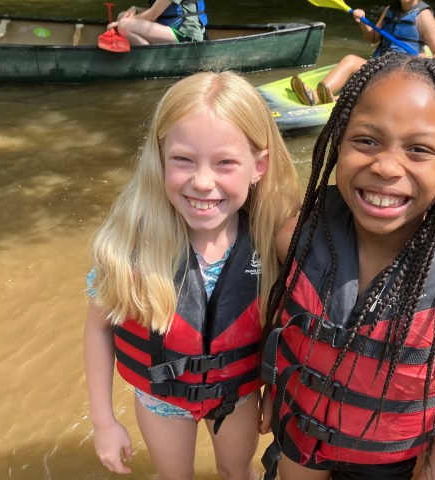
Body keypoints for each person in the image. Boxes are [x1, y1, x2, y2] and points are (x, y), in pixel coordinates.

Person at [260, 52, 435, 480]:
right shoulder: (294, 240)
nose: (385, 167)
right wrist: (271, 391)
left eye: (419, 150)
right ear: (337, 142)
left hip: (390, 467)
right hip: (298, 444)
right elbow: (281, 324)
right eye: (366, 140)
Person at [83, 71, 301, 479]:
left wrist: (274, 395)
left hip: (236, 395)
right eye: (183, 159)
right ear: (160, 157)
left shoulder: (276, 240)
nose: (203, 182)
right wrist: (104, 423)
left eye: (225, 163)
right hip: (161, 399)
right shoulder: (130, 243)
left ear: (259, 166)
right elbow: (99, 329)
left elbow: (294, 331)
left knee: (239, 472)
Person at [291, 0, 435, 106]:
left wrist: (427, 59)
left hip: (401, 70)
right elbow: (372, 37)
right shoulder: (390, 10)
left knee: (375, 78)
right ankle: (316, 96)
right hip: (379, 63)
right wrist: (363, 21)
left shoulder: (424, 16)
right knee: (351, 60)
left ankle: (336, 100)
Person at [108, 0, 208, 45]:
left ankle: (148, 59)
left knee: (124, 25)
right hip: (172, 30)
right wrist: (136, 9)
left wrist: (120, 23)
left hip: (188, 36)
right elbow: (162, 12)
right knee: (123, 15)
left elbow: (152, 15)